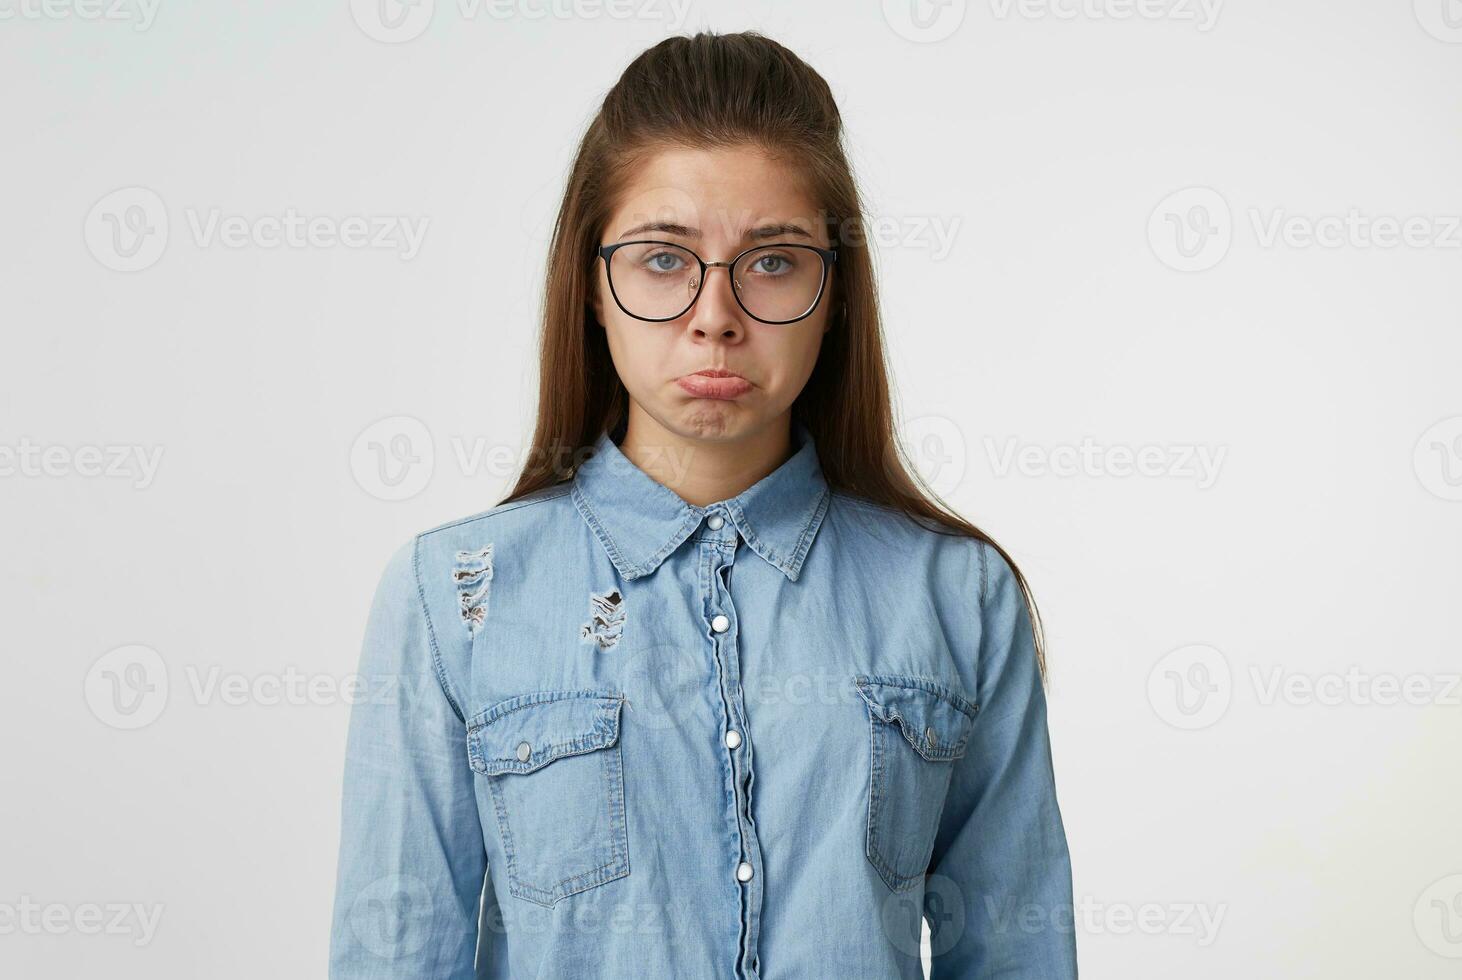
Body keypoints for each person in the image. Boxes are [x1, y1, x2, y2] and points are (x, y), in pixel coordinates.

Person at [329, 30, 1076, 980]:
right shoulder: (453, 598)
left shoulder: (956, 596)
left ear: (835, 292)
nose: (715, 314)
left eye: (772, 262)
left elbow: (1019, 952)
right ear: (592, 288)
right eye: (661, 259)